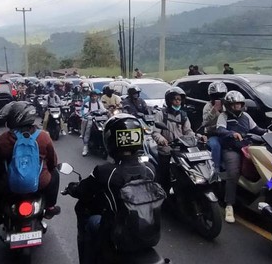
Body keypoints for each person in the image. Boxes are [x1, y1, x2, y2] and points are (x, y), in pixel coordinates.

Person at [66, 114, 163, 264]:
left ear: (110, 140)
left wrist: (72, 188)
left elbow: (83, 191)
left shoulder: (105, 172)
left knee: (91, 221)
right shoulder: (149, 169)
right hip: (149, 233)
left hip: (118, 234)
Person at [0, 101, 60, 224]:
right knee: (55, 174)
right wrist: (49, 168)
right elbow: (53, 161)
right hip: (39, 182)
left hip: (9, 184)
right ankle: (50, 208)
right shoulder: (43, 137)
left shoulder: (5, 138)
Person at [216, 90, 267, 224]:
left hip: (247, 147)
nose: (237, 106)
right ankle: (229, 205)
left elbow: (257, 130)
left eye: (239, 104)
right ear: (228, 105)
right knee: (233, 173)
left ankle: (267, 192)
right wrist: (232, 133)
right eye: (234, 104)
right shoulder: (224, 116)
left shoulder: (246, 116)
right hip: (231, 149)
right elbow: (220, 130)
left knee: (268, 169)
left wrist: (269, 132)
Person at [152, 87, 196, 193]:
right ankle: (163, 192)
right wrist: (162, 140)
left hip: (181, 148)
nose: (177, 101)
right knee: (164, 173)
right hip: (166, 148)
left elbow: (188, 131)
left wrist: (195, 137)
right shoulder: (161, 114)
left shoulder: (183, 115)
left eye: (179, 99)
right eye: (175, 99)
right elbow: (155, 132)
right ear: (169, 100)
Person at [202, 81, 227, 171]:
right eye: (215, 96)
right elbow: (205, 122)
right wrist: (214, 110)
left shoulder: (227, 106)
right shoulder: (208, 107)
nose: (218, 98)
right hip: (212, 134)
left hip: (226, 133)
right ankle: (216, 169)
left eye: (221, 96)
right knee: (216, 145)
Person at [81, 89, 106, 157]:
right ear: (90, 97)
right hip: (91, 119)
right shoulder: (87, 103)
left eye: (95, 96)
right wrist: (88, 114)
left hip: (99, 119)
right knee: (88, 128)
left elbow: (103, 110)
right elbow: (85, 112)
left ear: (97, 97)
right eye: (92, 96)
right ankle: (85, 146)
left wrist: (107, 112)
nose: (94, 97)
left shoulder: (99, 103)